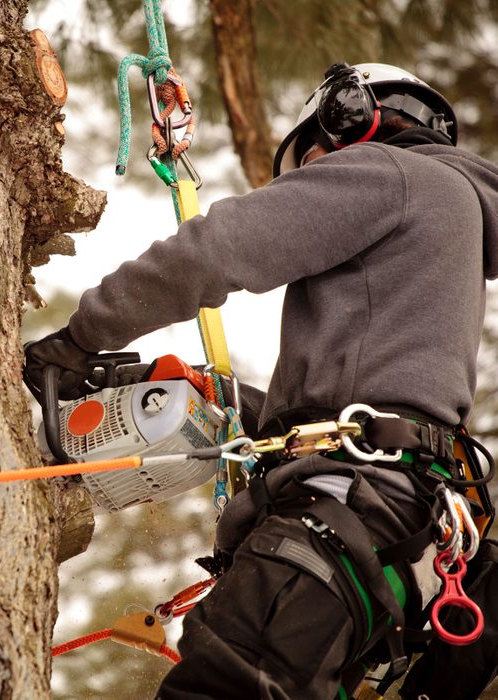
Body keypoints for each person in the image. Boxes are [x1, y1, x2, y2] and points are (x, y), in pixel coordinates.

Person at [24, 62, 498, 699]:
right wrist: (227, 401)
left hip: (339, 514)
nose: (310, 183)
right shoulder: (453, 215)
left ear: (350, 118)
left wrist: (80, 339)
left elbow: (216, 250)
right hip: (397, 534)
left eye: (310, 166)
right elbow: (372, 405)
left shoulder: (389, 171)